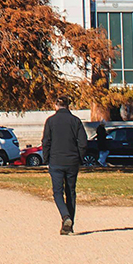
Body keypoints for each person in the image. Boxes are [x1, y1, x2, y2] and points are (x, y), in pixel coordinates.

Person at [41, 96, 89, 235]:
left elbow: (46, 141)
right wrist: (79, 157)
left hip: (56, 161)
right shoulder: (75, 121)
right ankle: (69, 226)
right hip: (72, 161)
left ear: (56, 105)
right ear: (69, 106)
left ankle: (65, 216)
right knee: (71, 192)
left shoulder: (50, 121)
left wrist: (46, 159)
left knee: (57, 192)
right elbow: (83, 142)